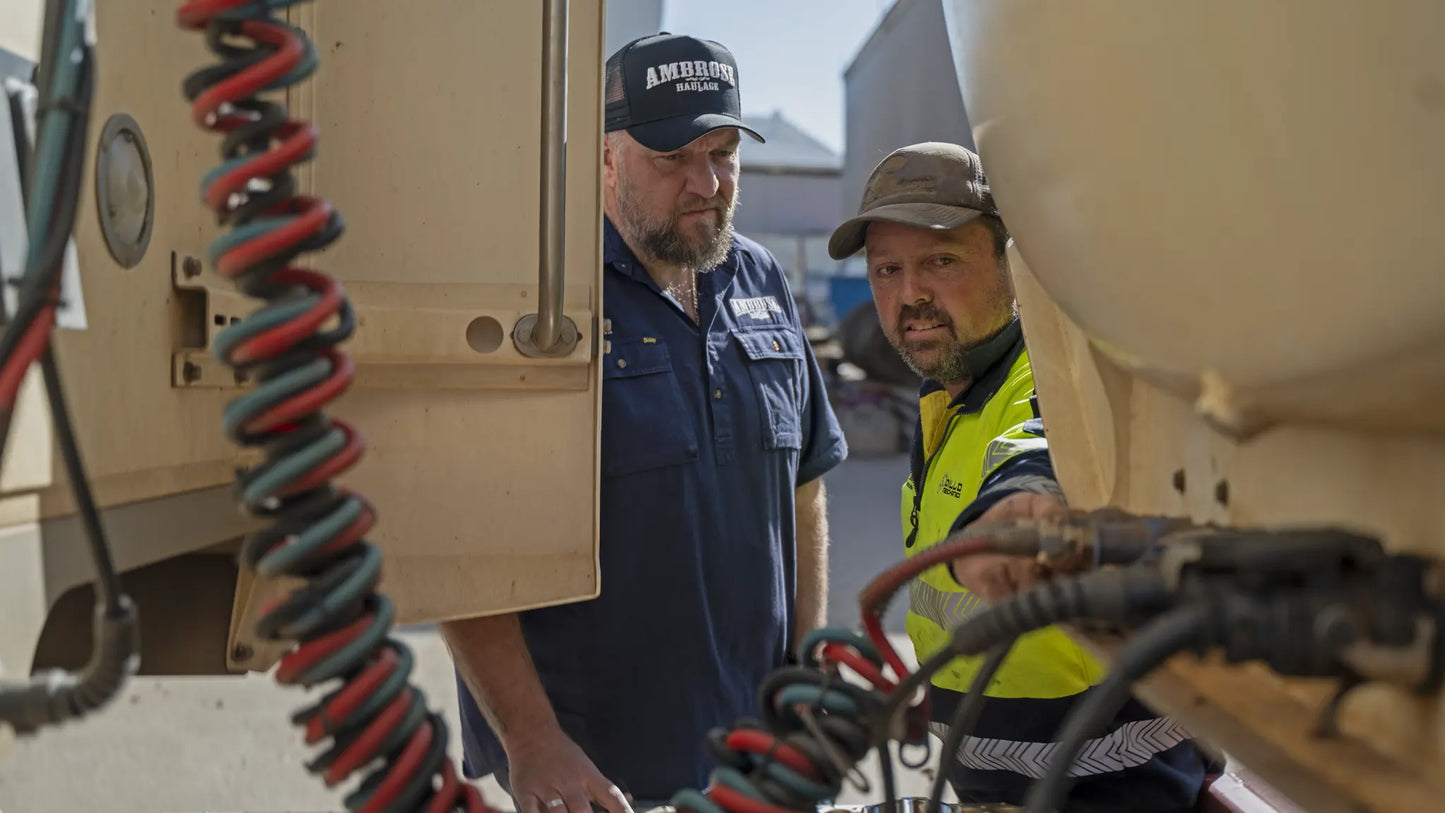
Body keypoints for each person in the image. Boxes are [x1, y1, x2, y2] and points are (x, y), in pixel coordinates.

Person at [441, 32, 848, 813]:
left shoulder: (759, 277)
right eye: (671, 158)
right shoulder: (539, 301)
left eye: (724, 151)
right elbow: (462, 544)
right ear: (603, 155)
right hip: (600, 779)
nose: (707, 182)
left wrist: (807, 662)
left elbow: (803, 487)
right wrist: (531, 741)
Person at [827, 142, 1207, 811]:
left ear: (1012, 264)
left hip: (1110, 787)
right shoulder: (947, 386)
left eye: (940, 261)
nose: (909, 293)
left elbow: (1045, 443)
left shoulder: (1055, 377)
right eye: (886, 269)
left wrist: (1022, 503)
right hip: (995, 781)